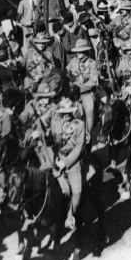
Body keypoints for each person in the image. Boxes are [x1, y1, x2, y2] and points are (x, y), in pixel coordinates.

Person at [50, 97, 86, 230]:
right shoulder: (55, 123)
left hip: (73, 162)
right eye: (63, 112)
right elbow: (53, 142)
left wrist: (66, 162)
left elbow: (79, 147)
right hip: (57, 159)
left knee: (77, 191)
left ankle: (71, 215)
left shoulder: (79, 125)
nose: (65, 115)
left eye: (68, 112)